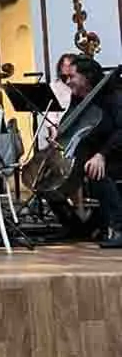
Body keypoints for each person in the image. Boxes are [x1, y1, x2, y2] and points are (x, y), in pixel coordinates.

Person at [63, 56, 122, 248]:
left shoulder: (113, 95)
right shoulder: (78, 97)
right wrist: (59, 131)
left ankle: (118, 228)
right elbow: (71, 121)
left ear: (87, 76)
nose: (68, 81)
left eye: (72, 76)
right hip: (94, 153)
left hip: (115, 152)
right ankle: (78, 226)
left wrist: (102, 155)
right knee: (50, 178)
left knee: (96, 171)